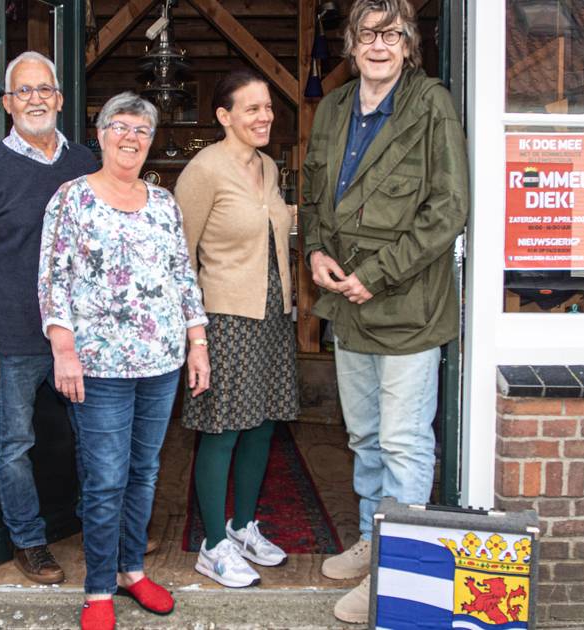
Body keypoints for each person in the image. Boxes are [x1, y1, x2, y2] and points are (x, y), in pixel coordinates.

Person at [299, 0, 469, 623]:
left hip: (408, 308)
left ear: (408, 44)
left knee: (403, 442)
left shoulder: (431, 104)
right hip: (348, 308)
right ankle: (375, 541)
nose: (378, 44)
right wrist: (316, 251)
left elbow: (449, 209)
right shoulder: (335, 108)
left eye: (391, 34)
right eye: (367, 33)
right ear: (350, 43)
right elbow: (313, 195)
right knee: (365, 438)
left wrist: (376, 274)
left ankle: (400, 572)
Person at [38, 91, 210, 630]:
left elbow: (183, 274)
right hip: (99, 367)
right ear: (101, 134)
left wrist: (198, 343)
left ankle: (131, 570)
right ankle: (98, 589)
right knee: (106, 478)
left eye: (142, 130)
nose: (131, 137)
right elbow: (52, 280)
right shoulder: (71, 198)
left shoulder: (163, 203)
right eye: (121, 126)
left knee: (144, 472)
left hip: (160, 363)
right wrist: (64, 350)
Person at [0, 51, 97, 585]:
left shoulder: (85, 162)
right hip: (15, 336)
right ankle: (30, 541)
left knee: (95, 437)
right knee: (14, 447)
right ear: (8, 104)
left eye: (44, 89)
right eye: (23, 91)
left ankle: (99, 526)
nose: (35, 99)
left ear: (59, 98)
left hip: (81, 336)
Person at [174, 69, 299, 589]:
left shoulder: (268, 167)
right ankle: (213, 546)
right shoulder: (203, 170)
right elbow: (179, 257)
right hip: (223, 319)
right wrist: (194, 335)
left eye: (267, 107)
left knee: (263, 424)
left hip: (272, 316)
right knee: (222, 429)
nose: (264, 116)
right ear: (224, 116)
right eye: (252, 108)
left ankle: (243, 526)